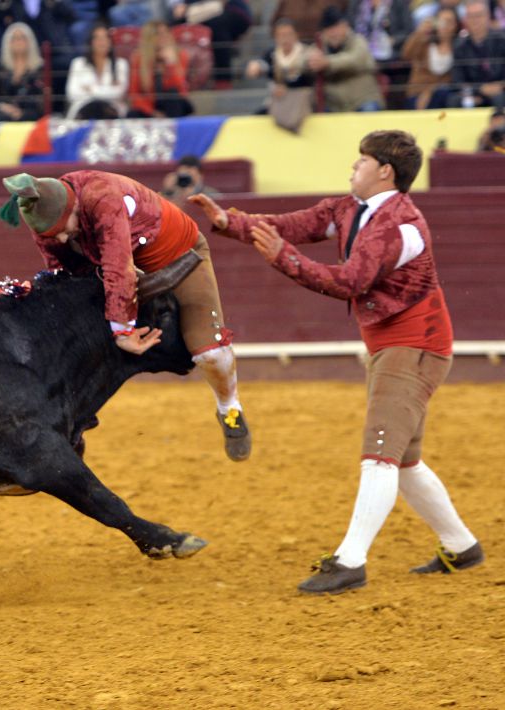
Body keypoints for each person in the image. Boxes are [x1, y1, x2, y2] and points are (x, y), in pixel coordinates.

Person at [189, 130, 484, 595]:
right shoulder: (350, 209)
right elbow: (291, 225)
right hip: (394, 345)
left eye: (361, 161)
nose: (353, 167)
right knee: (402, 460)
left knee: (379, 453)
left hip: (415, 346)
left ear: (385, 171)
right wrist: (231, 221)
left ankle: (351, 560)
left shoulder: (402, 226)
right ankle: (461, 545)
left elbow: (350, 281)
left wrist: (284, 259)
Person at [0, 170, 251, 463]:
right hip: (107, 270)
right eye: (53, 234)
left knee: (211, 354)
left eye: (62, 230)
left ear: (73, 207)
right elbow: (62, 270)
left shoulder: (101, 196)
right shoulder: (46, 214)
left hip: (178, 258)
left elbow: (120, 266)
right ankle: (75, 421)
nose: (62, 238)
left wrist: (122, 330)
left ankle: (229, 407)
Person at [307, 6, 385, 112]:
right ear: (323, 32)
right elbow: (304, 60)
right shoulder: (320, 46)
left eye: (336, 28)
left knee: (369, 112)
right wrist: (310, 60)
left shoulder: (358, 41)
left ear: (345, 26)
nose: (333, 33)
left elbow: (354, 59)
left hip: (362, 101)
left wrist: (327, 62)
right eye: (329, 29)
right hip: (335, 106)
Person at [245, 17, 314, 131]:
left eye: (288, 34)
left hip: (301, 103)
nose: (285, 39)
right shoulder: (272, 54)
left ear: (296, 35)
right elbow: (262, 65)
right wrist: (256, 66)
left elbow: (309, 74)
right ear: (275, 37)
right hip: (278, 102)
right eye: (281, 35)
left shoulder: (307, 53)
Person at [127, 20, 193, 118]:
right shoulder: (138, 58)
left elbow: (181, 90)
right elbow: (134, 94)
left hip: (175, 104)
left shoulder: (181, 55)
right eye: (158, 34)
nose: (164, 36)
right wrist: (152, 112)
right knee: (133, 114)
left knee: (172, 94)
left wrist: (171, 64)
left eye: (166, 32)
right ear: (149, 38)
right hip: (150, 107)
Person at [64, 22, 129, 120]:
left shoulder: (121, 64)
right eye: (97, 38)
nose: (101, 42)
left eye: (105, 38)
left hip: (111, 111)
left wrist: (91, 89)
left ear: (110, 42)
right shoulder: (78, 63)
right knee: (93, 108)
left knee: (102, 109)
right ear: (91, 42)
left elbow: (119, 92)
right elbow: (72, 93)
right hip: (83, 110)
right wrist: (107, 90)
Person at [448, 0, 505, 109]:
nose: (475, 21)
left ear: (488, 16)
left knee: (499, 98)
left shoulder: (501, 40)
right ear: (465, 20)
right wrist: (479, 89)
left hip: (499, 90)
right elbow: (457, 80)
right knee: (454, 100)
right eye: (470, 16)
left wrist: (500, 86)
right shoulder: (459, 46)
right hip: (473, 92)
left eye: (478, 16)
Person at [0, 21, 43, 121]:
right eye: (15, 39)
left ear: (30, 42)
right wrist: (5, 107)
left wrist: (20, 111)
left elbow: (40, 99)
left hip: (29, 112)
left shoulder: (40, 68)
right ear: (8, 43)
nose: (19, 42)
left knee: (30, 116)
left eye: (22, 38)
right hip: (4, 113)